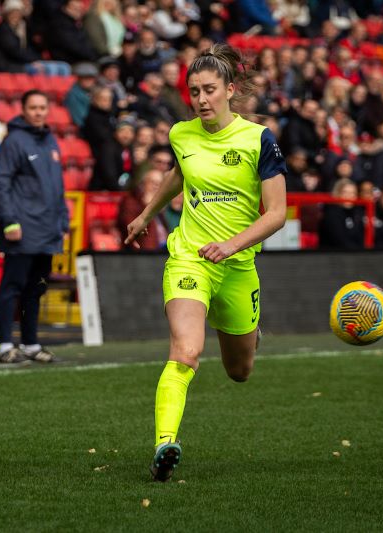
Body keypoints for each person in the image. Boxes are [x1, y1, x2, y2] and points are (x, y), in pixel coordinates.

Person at [124, 44, 287, 482]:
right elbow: (179, 173)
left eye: (210, 89)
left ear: (230, 90)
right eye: (194, 90)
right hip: (190, 259)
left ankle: (250, 335)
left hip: (237, 265)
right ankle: (164, 445)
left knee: (240, 371)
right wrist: (146, 215)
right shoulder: (182, 134)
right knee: (186, 351)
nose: (200, 99)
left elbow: (276, 214)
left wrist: (233, 245)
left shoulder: (258, 139)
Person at [0, 90, 70, 364]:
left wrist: (63, 221)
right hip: (22, 228)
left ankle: (31, 343)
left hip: (47, 229)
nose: (38, 112)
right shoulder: (14, 141)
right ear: (23, 110)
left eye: (42, 107)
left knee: (37, 288)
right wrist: (9, 220)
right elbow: (0, 183)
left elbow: (57, 187)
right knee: (12, 286)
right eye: (33, 107)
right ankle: (4, 345)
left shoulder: (50, 141)